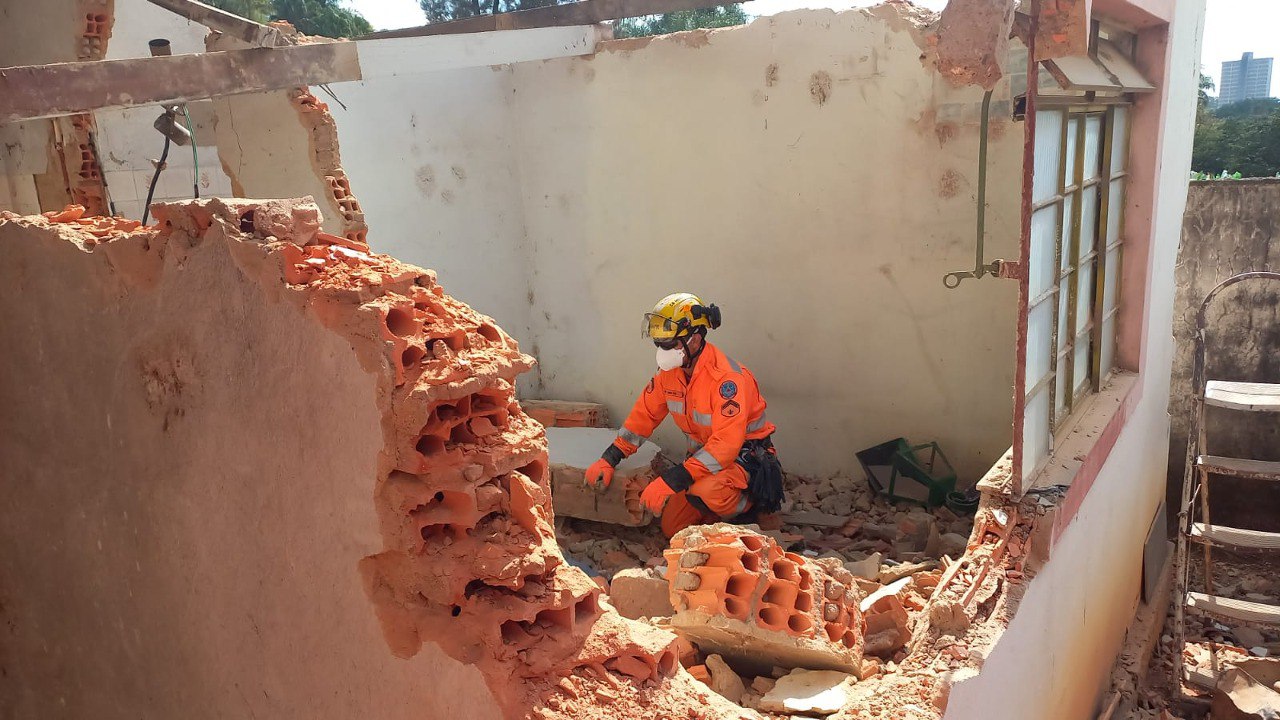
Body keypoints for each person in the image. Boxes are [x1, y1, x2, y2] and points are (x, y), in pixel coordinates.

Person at [584, 293, 784, 537]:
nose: (663, 351)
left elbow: (726, 445)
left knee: (707, 491)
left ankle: (754, 511)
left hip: (745, 459)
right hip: (704, 461)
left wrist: (673, 479)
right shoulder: (671, 373)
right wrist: (611, 457)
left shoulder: (726, 380)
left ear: (695, 339)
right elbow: (644, 416)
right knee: (673, 528)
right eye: (659, 344)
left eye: (670, 344)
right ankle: (713, 520)